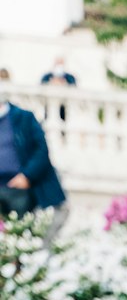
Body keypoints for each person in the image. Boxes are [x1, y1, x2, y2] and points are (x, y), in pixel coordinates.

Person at [0, 87, 68, 232]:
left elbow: (41, 150)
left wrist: (26, 175)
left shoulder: (23, 117)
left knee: (20, 233)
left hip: (18, 187)